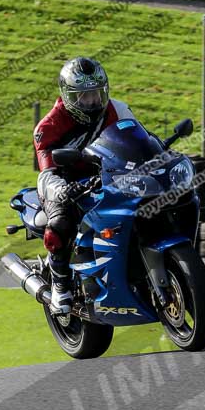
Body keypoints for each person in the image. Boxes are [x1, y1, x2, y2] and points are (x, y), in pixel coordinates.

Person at [34, 56, 136, 315]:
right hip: (65, 182)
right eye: (84, 96)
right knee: (60, 222)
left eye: (96, 94)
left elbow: (139, 138)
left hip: (110, 174)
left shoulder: (118, 109)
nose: (92, 102)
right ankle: (60, 287)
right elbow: (47, 171)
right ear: (68, 95)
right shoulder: (48, 127)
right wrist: (61, 190)